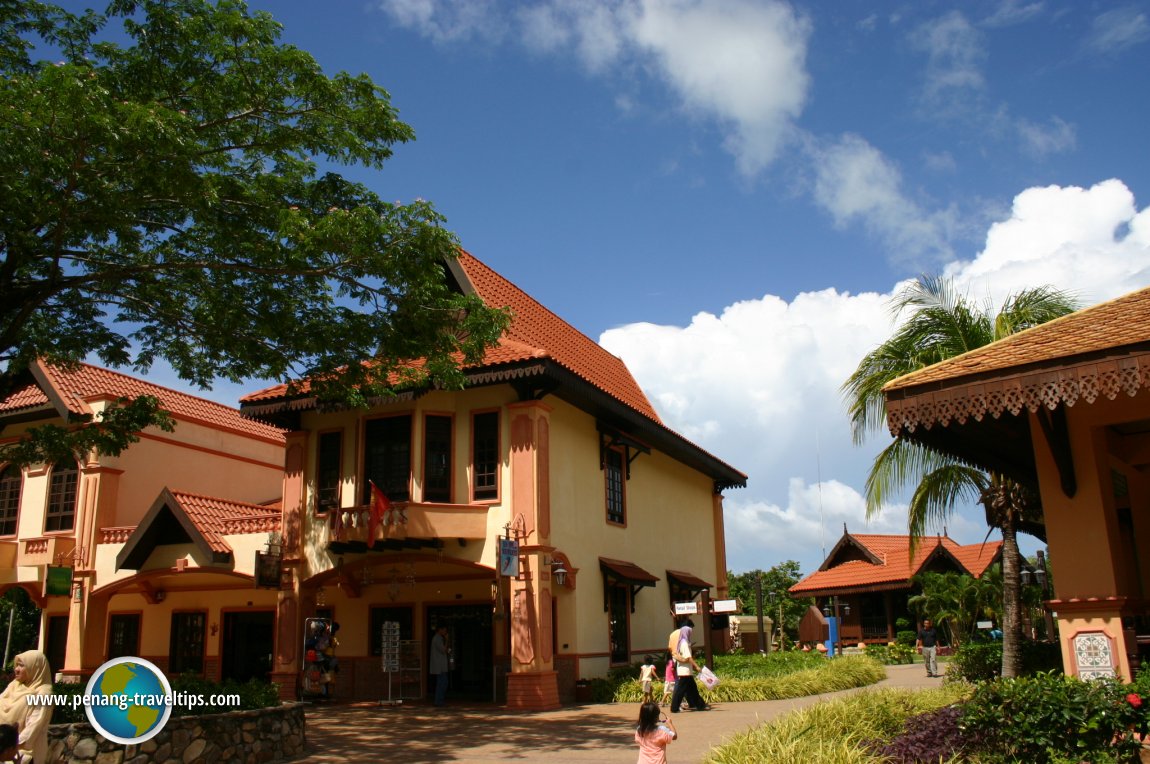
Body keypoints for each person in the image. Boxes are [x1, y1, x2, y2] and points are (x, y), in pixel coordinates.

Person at [0, 650, 53, 764]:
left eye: (22, 665)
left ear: (35, 667)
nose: (16, 669)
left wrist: (9, 744)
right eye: (17, 665)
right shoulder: (14, 685)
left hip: (24, 752)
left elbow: (34, 725)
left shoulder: (44, 694)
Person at [669, 624, 708, 713]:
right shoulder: (684, 643)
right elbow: (688, 657)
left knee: (692, 688)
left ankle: (700, 705)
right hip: (685, 671)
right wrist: (696, 666)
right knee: (681, 690)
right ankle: (674, 707)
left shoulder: (682, 642)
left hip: (686, 670)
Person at [430, 625, 451, 707]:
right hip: (439, 665)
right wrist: (447, 640)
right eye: (444, 630)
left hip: (440, 665)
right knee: (442, 682)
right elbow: (443, 650)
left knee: (442, 682)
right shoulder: (437, 639)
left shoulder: (438, 638)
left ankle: (439, 700)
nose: (445, 632)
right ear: (440, 629)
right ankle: (439, 701)